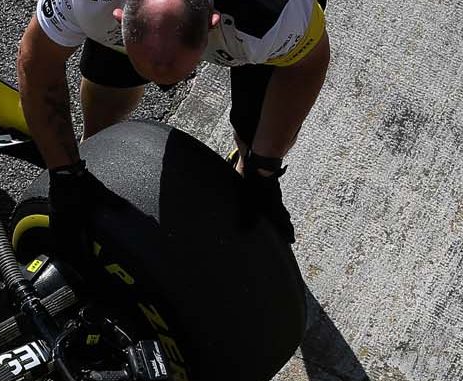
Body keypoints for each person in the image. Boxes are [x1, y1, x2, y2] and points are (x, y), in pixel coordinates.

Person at [17, 0, 331, 244]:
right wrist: (65, 175)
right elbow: (37, 61)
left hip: (249, 23)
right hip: (135, 22)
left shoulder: (277, 18)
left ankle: (248, 170)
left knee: (257, 129)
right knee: (108, 84)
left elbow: (306, 66)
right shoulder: (84, 5)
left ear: (212, 25)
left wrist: (264, 169)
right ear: (119, 15)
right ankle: (97, 148)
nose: (165, 87)